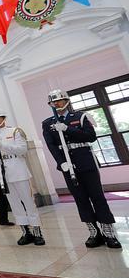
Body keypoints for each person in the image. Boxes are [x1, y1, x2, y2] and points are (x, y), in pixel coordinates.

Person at [42, 89, 121, 248]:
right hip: (67, 164)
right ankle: (94, 232)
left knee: (97, 196)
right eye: (53, 102)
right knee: (80, 198)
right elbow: (51, 145)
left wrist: (67, 129)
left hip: (85, 160)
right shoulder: (48, 123)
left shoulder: (80, 117)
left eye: (59, 101)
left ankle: (108, 232)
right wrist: (61, 162)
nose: (56, 104)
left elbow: (90, 137)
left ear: (67, 101)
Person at [0, 108, 45, 246]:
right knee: (15, 205)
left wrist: (2, 145)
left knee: (29, 202)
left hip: (18, 170)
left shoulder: (15, 131)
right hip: (4, 175)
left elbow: (22, 150)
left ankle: (37, 232)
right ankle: (25, 232)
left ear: (4, 118)